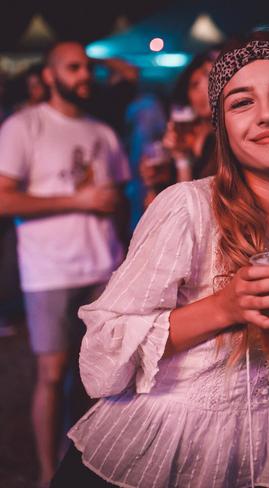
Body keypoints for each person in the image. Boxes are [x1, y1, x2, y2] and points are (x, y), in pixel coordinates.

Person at [50, 32, 269, 488]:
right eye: (242, 102)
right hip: (151, 456)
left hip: (251, 458)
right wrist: (224, 307)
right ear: (221, 126)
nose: (267, 114)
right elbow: (101, 354)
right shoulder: (188, 207)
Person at [0, 41, 130, 485]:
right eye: (73, 68)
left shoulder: (102, 131)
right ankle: (45, 472)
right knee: (52, 373)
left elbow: (118, 199)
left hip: (104, 267)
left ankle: (96, 465)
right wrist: (78, 198)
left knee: (107, 373)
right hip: (49, 270)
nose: (83, 77)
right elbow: (3, 197)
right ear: (51, 75)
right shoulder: (24, 126)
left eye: (86, 69)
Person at [139, 50, 221, 207]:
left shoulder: (222, 140)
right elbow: (154, 205)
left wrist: (182, 161)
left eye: (211, 78)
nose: (205, 89)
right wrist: (152, 182)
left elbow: (192, 208)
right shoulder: (181, 137)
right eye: (196, 84)